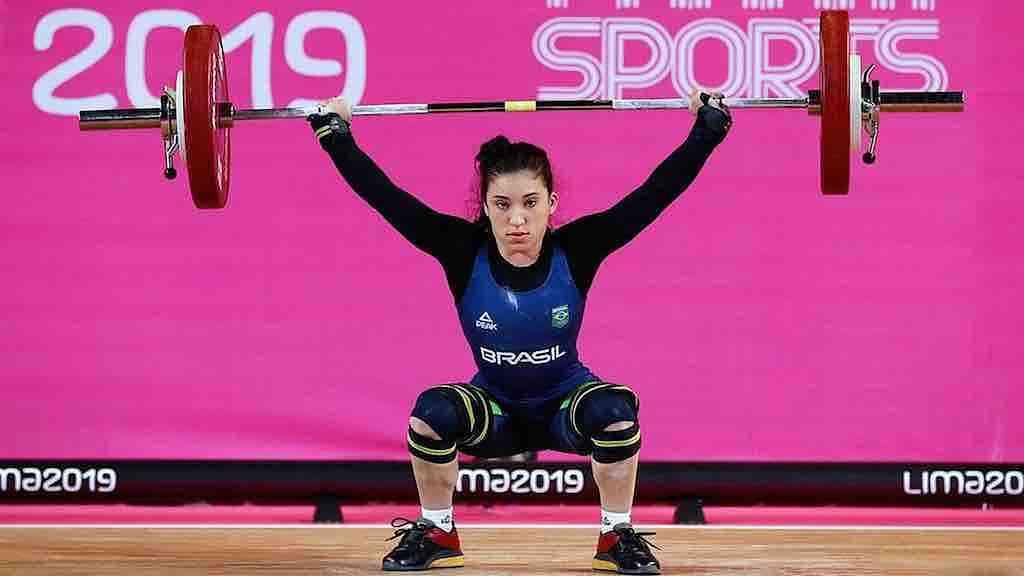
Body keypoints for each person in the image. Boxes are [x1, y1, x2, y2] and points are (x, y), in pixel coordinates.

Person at [307, 90, 732, 574]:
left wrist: (707, 130)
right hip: (494, 411)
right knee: (431, 414)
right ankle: (438, 532)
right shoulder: (461, 250)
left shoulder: (579, 248)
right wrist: (335, 135)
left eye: (530, 203)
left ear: (551, 204)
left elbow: (653, 195)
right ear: (484, 208)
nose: (516, 219)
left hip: (566, 406)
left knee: (614, 413)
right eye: (502, 204)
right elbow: (387, 198)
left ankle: (616, 535)